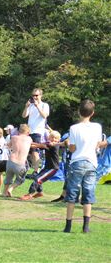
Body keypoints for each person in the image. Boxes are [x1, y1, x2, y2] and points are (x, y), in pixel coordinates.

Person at [64, 99, 107, 233]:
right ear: (92, 113)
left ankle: (68, 226)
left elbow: (72, 148)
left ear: (79, 112)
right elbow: (98, 144)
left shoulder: (74, 128)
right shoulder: (97, 127)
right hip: (91, 163)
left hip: (77, 162)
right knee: (88, 194)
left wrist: (67, 144)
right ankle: (86, 226)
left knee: (72, 195)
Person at [20, 130, 64, 201]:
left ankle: (29, 194)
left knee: (38, 180)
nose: (54, 139)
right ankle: (40, 192)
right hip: (47, 167)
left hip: (53, 168)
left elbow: (40, 145)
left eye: (56, 138)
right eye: (52, 137)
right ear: (49, 138)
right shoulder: (48, 144)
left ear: (59, 140)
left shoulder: (54, 146)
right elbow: (38, 145)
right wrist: (27, 143)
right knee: (36, 177)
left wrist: (31, 143)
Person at [22, 88, 50, 175]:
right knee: (27, 151)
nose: (34, 97)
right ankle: (28, 169)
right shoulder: (30, 105)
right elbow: (24, 116)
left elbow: (44, 116)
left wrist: (37, 106)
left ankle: (36, 171)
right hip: (28, 131)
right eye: (33, 95)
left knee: (35, 151)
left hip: (37, 131)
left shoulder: (44, 105)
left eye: (36, 95)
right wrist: (26, 106)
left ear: (41, 95)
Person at [3, 124, 32, 197]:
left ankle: (4, 193)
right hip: (20, 164)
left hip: (10, 161)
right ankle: (10, 189)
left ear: (18, 131)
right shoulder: (29, 139)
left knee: (8, 178)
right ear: (28, 132)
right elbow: (31, 145)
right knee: (20, 180)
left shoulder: (13, 137)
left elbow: (9, 146)